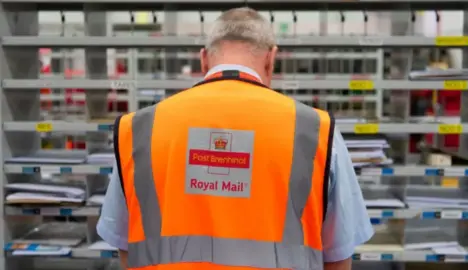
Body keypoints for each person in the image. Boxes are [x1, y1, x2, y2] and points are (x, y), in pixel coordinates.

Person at [97, 7, 373, 270]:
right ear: (271, 59)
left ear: (203, 58)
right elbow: (338, 254)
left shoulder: (138, 129)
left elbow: (125, 244)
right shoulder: (317, 131)